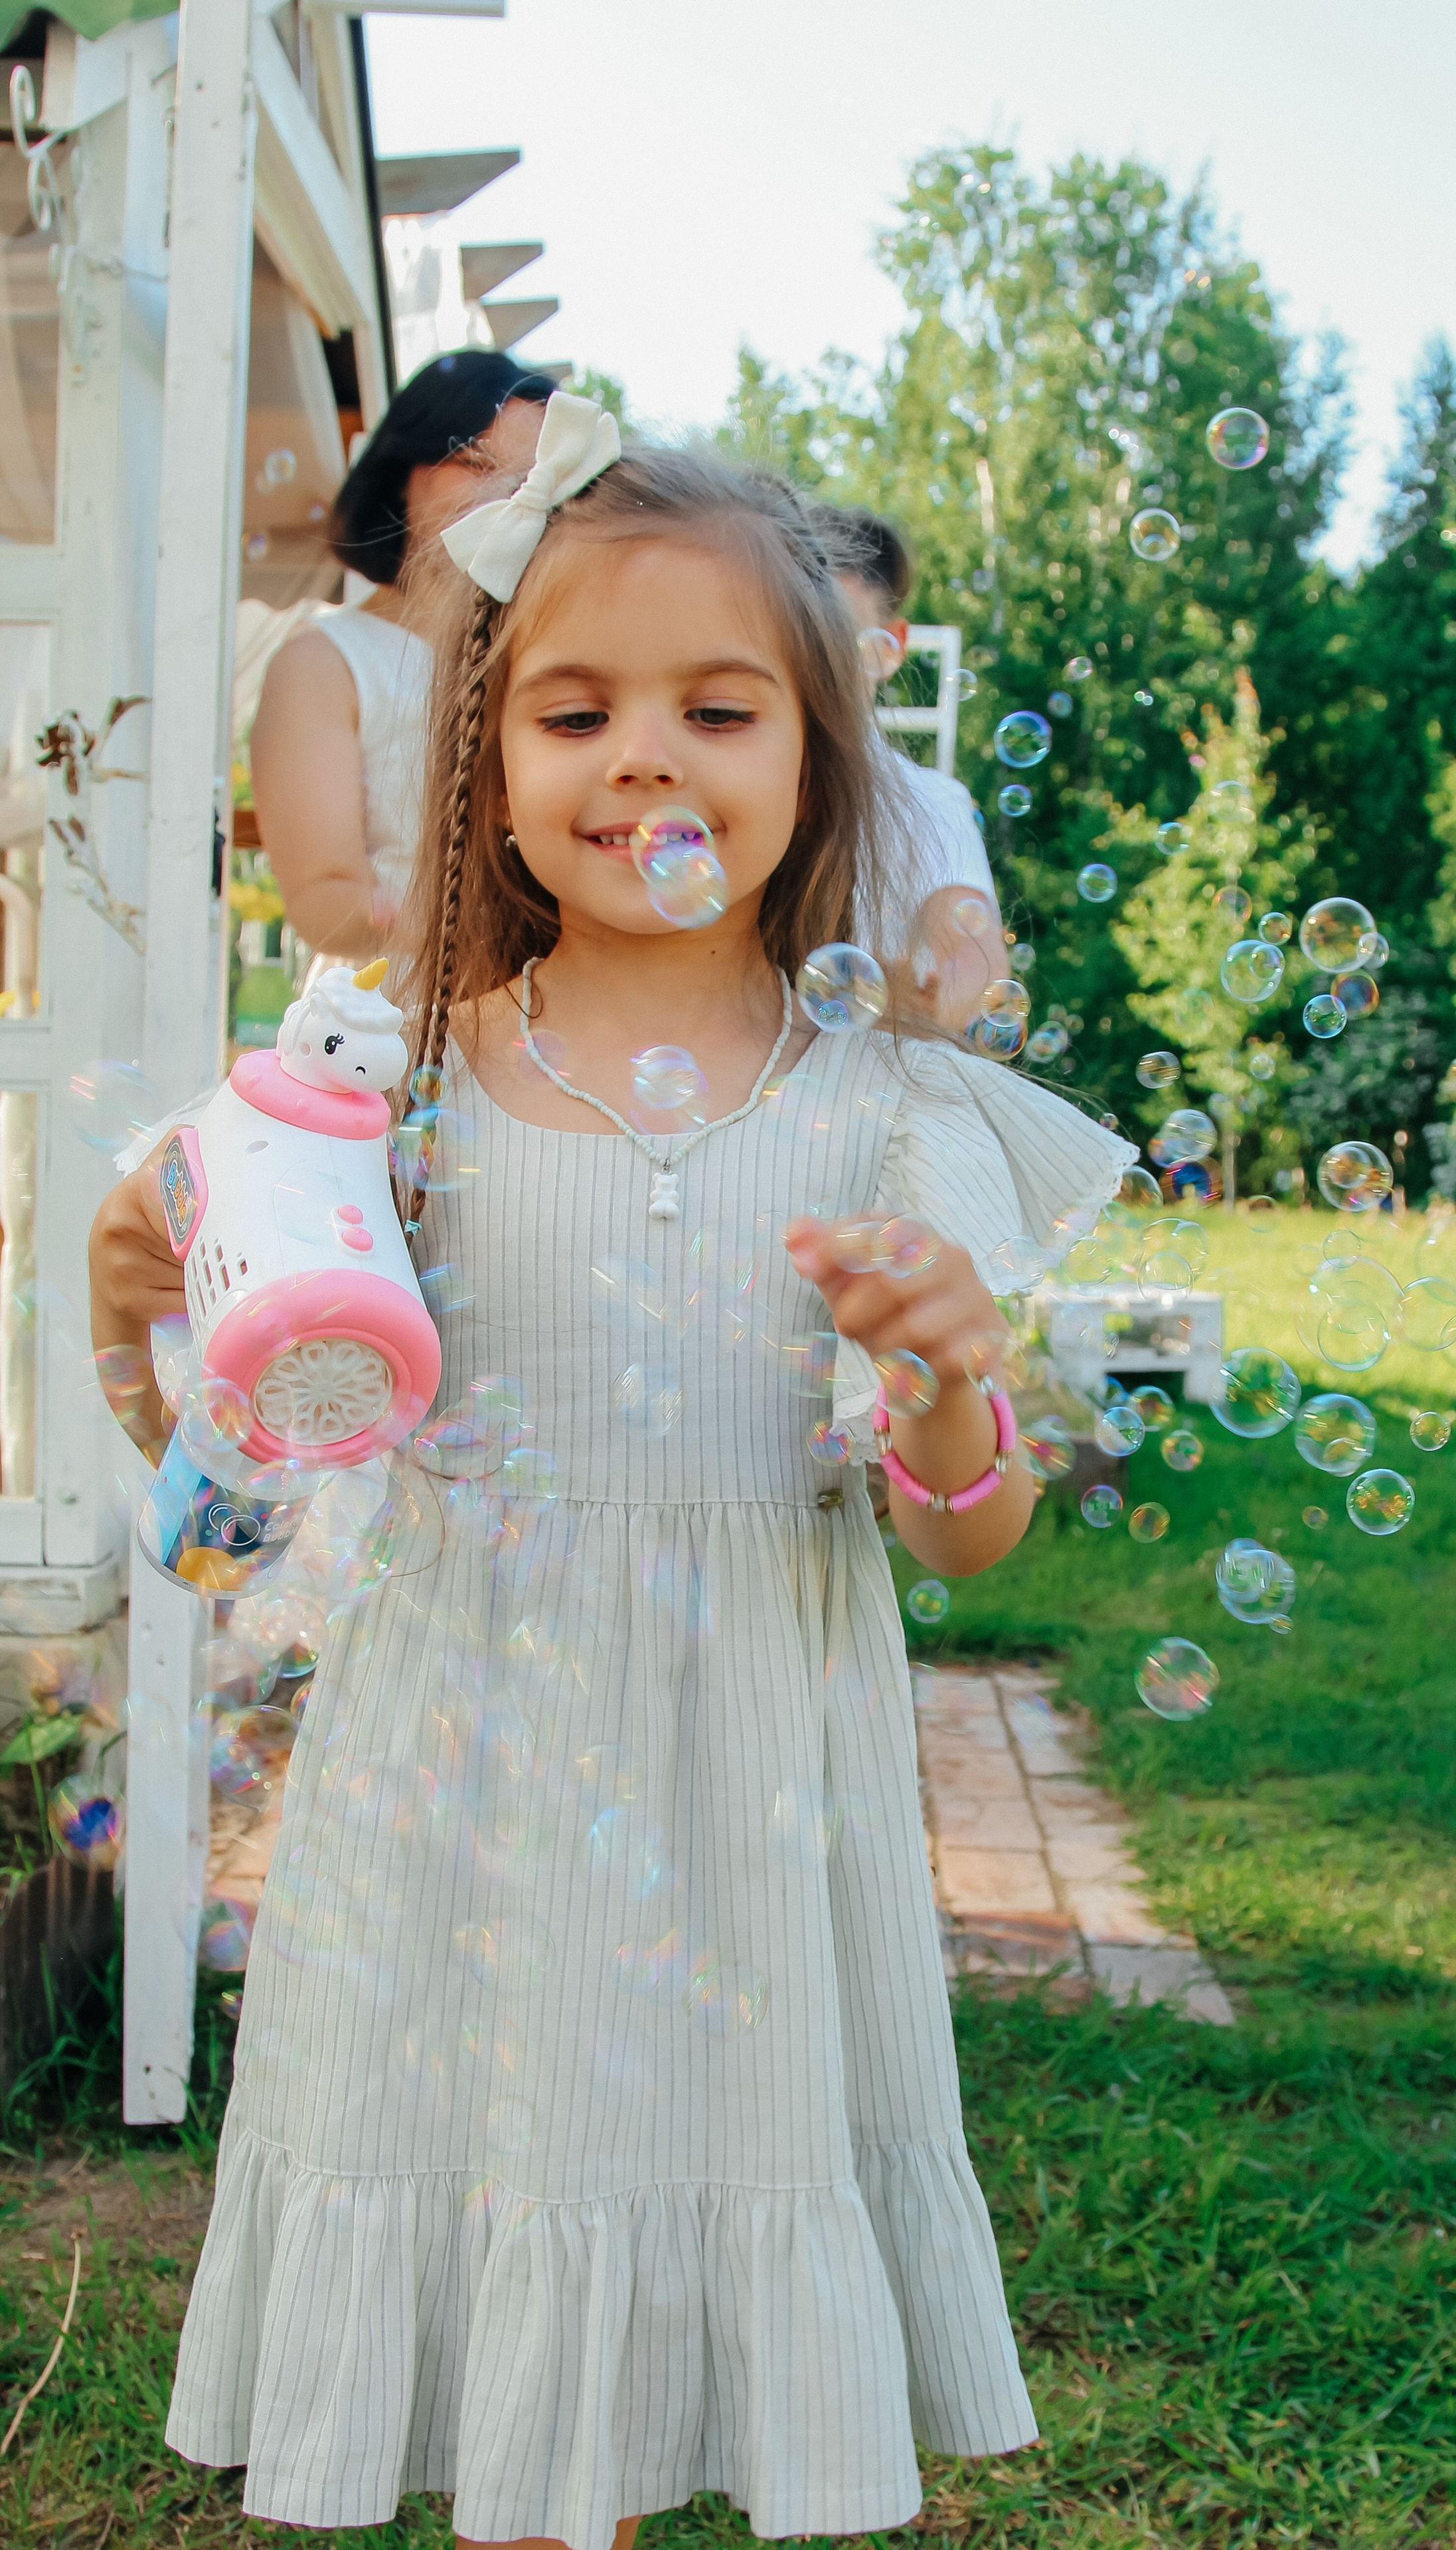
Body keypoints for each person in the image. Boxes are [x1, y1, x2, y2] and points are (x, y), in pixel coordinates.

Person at [90, 399, 1132, 2549]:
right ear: (486, 755)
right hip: (455, 1772)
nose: (643, 755)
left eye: (715, 705)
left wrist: (950, 1378)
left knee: (693, 2237)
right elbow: (229, 1521)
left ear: (821, 756)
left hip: (753, 1789)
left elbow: (972, 1525)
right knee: (508, 2273)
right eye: (574, 707)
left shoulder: (895, 1112)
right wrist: (164, 1328)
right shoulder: (382, 1088)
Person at [250, 350, 555, 960]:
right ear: (402, 474)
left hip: (560, 1014)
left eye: (532, 480)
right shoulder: (324, 664)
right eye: (475, 462)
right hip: (392, 1022)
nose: (504, 494)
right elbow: (324, 899)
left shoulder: (553, 656)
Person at [831, 505, 1009, 1027]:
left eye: (844, 639)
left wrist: (925, 1006)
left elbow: (977, 965)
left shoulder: (925, 801)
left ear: (892, 649)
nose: (820, 662)